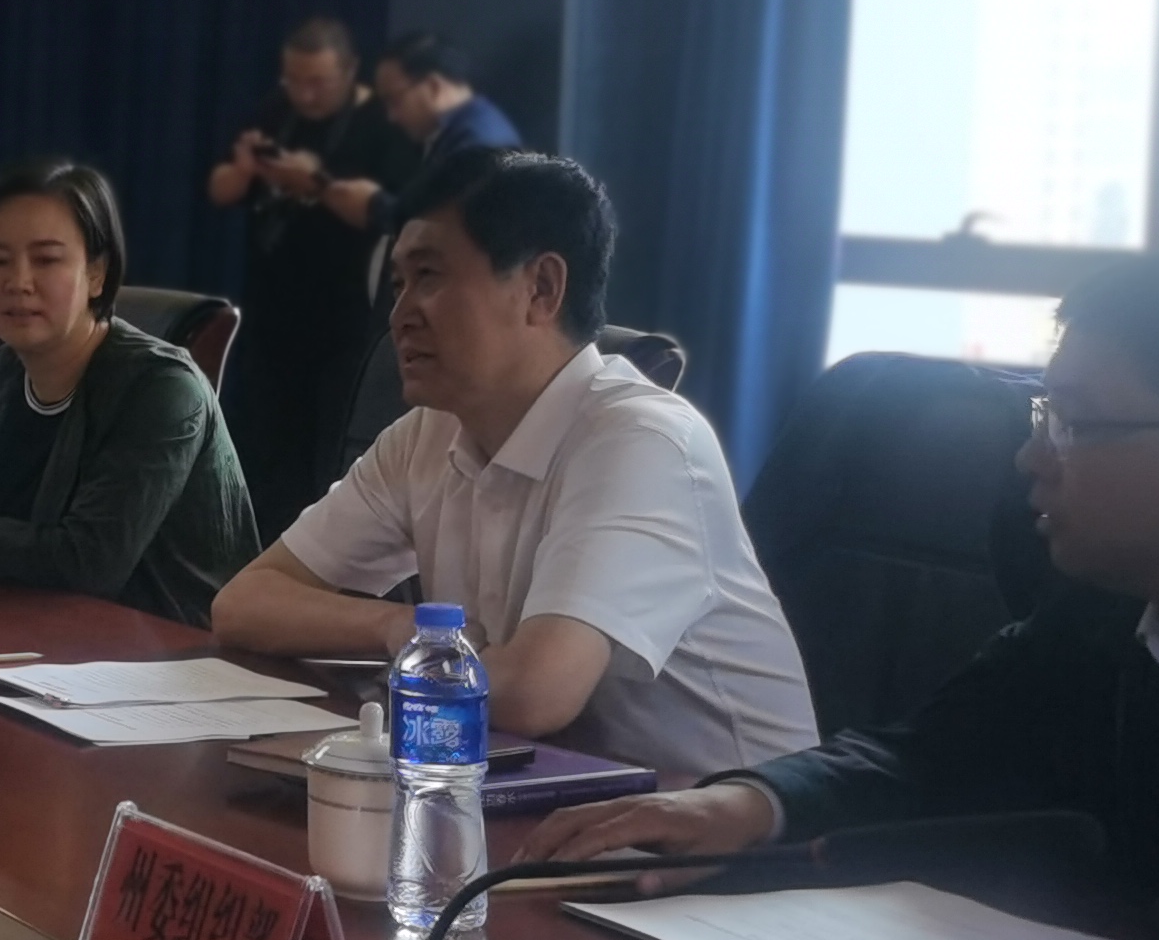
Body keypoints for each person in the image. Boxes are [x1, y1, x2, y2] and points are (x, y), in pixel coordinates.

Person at [531, 247, 1159, 940]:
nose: (1031, 459)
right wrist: (746, 806)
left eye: (1077, 423)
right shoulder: (1100, 609)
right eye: (1045, 411)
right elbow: (934, 756)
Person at [211, 148, 815, 774]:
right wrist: (401, 627)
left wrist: (417, 652)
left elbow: (533, 692)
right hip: (549, 790)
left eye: (429, 276)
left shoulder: (642, 441)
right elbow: (243, 604)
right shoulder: (427, 434)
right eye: (397, 285)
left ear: (541, 289)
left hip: (729, 816)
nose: (400, 315)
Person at [0, 160, 257, 624]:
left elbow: (88, 560)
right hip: (20, 633)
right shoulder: (4, 370)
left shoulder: (163, 389)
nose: (18, 282)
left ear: (97, 274)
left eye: (46, 260)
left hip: (163, 651)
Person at [205, 18, 418, 532]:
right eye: (294, 80)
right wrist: (247, 169)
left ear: (349, 71)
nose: (304, 94)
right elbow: (219, 190)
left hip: (344, 321)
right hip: (272, 316)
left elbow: (386, 215)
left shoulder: (379, 125)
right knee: (265, 453)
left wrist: (315, 182)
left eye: (318, 82)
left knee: (331, 456)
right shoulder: (276, 112)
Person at [318, 31, 520, 245]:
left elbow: (450, 229)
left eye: (394, 100)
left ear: (433, 86)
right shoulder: (462, 131)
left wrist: (373, 206)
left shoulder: (478, 143)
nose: (391, 116)